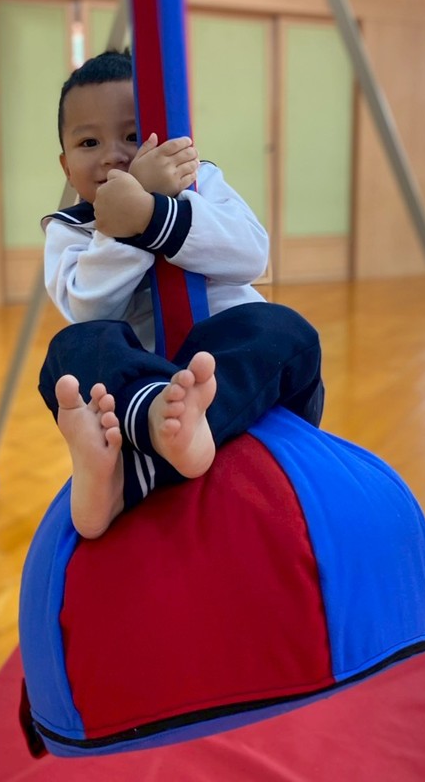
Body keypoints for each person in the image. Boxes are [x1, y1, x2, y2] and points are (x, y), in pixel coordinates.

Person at [39, 50, 324, 539]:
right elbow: (88, 305)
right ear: (67, 167)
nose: (112, 155)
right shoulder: (69, 229)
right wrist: (121, 227)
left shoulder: (201, 182)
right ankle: (152, 427)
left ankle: (143, 465)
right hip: (146, 383)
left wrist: (153, 214)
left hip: (230, 370)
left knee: (287, 330)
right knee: (70, 350)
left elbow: (251, 255)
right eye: (89, 142)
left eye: (132, 136)